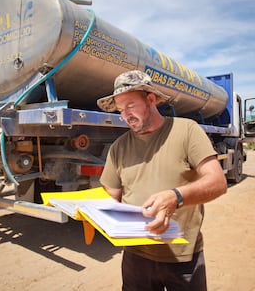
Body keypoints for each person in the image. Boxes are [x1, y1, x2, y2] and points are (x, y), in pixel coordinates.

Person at [96, 70, 227, 291]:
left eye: (130, 105)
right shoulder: (119, 147)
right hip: (135, 257)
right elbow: (110, 198)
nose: (125, 115)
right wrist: (86, 210)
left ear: (151, 99)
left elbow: (217, 182)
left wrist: (176, 197)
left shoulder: (186, 131)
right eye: (120, 110)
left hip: (182, 257)